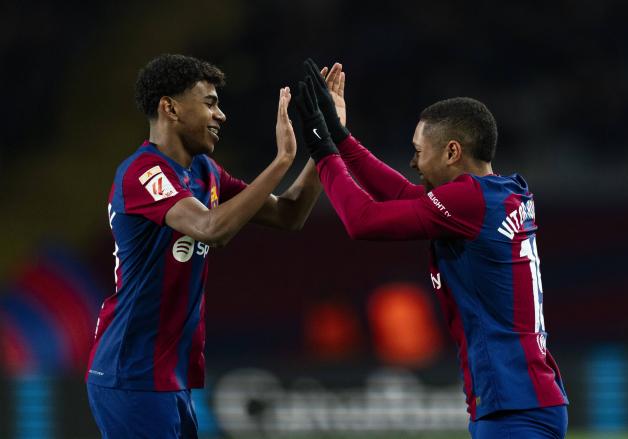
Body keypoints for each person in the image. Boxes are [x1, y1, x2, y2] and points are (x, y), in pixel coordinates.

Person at [293, 58, 569, 439]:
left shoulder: (469, 202)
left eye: (419, 151)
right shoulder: (502, 192)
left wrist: (322, 149)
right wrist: (341, 137)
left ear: (452, 152)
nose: (413, 162)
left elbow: (364, 221)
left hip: (513, 405)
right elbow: (404, 195)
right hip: (526, 398)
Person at [85, 54, 322, 439]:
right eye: (210, 102)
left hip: (169, 374)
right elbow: (212, 228)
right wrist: (281, 162)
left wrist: (324, 144)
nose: (221, 115)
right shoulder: (143, 172)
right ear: (170, 108)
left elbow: (289, 215)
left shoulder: (203, 172)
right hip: (131, 372)